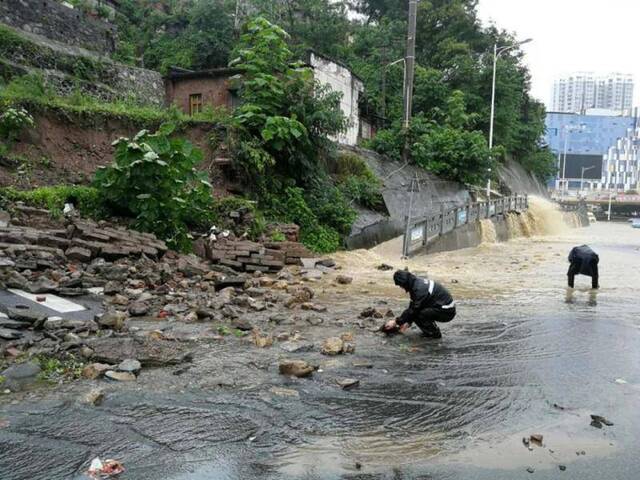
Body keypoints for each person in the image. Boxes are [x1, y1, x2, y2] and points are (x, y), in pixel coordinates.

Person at [384, 270, 456, 339]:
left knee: (420, 314)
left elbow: (413, 310)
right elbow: (413, 306)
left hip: (447, 312)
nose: (401, 287)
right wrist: (408, 322)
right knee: (416, 313)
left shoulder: (419, 290)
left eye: (401, 285)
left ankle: (435, 335)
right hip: (440, 306)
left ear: (404, 283)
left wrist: (395, 322)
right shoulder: (415, 282)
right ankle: (428, 333)